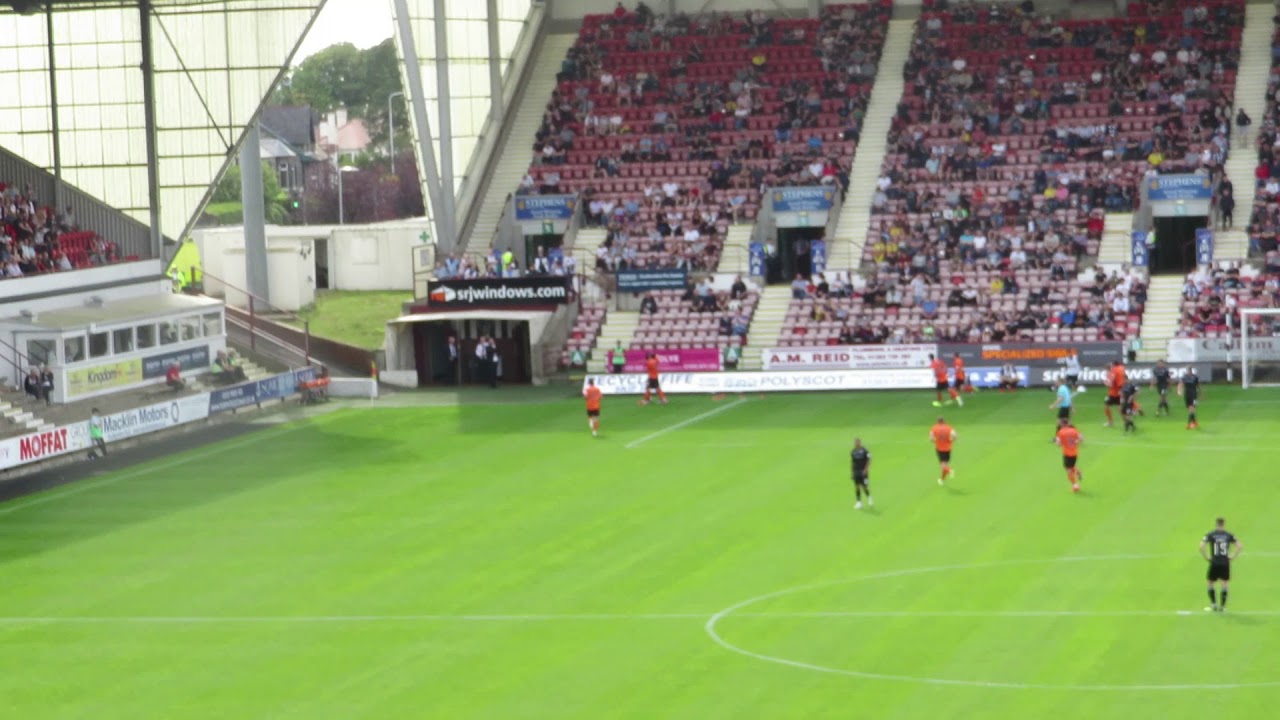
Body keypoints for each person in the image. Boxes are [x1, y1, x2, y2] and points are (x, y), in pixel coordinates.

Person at [1200, 517, 1241, 612]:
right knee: (1224, 583)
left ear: (1216, 524)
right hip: (1225, 562)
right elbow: (1239, 546)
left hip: (1214, 562)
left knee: (1210, 582)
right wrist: (1232, 556)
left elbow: (1201, 546)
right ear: (1223, 524)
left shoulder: (1211, 534)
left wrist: (1206, 557)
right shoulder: (1229, 535)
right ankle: (1222, 607)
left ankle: (1213, 605)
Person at [1054, 418, 1083, 493]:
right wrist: (1076, 442)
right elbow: (1081, 438)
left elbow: (1058, 444)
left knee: (1068, 470)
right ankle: (1077, 472)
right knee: (1071, 467)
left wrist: (1061, 443)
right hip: (1075, 453)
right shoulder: (1074, 430)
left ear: (1062, 424)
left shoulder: (1060, 432)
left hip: (1067, 453)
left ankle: (1075, 485)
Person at [930, 416, 956, 485]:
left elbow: (931, 438)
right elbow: (955, 435)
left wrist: (936, 441)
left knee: (943, 466)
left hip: (940, 449)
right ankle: (942, 480)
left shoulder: (934, 428)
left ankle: (950, 471)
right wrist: (951, 440)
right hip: (948, 449)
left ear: (937, 422)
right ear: (944, 421)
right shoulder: (949, 427)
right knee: (945, 465)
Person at [851, 437, 872, 509]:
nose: (856, 444)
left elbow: (869, 460)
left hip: (863, 471)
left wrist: (866, 469)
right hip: (856, 471)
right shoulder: (853, 451)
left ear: (860, 443)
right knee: (857, 487)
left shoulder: (865, 451)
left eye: (857, 442)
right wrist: (852, 472)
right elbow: (852, 462)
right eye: (855, 442)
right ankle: (859, 502)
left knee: (864, 486)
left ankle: (869, 498)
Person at [1103, 360, 1126, 427]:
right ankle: (1125, 421)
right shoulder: (1120, 370)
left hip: (1113, 394)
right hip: (1118, 393)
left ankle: (1110, 422)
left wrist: (1105, 383)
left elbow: (1110, 384)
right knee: (1119, 408)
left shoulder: (1111, 373)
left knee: (1106, 407)